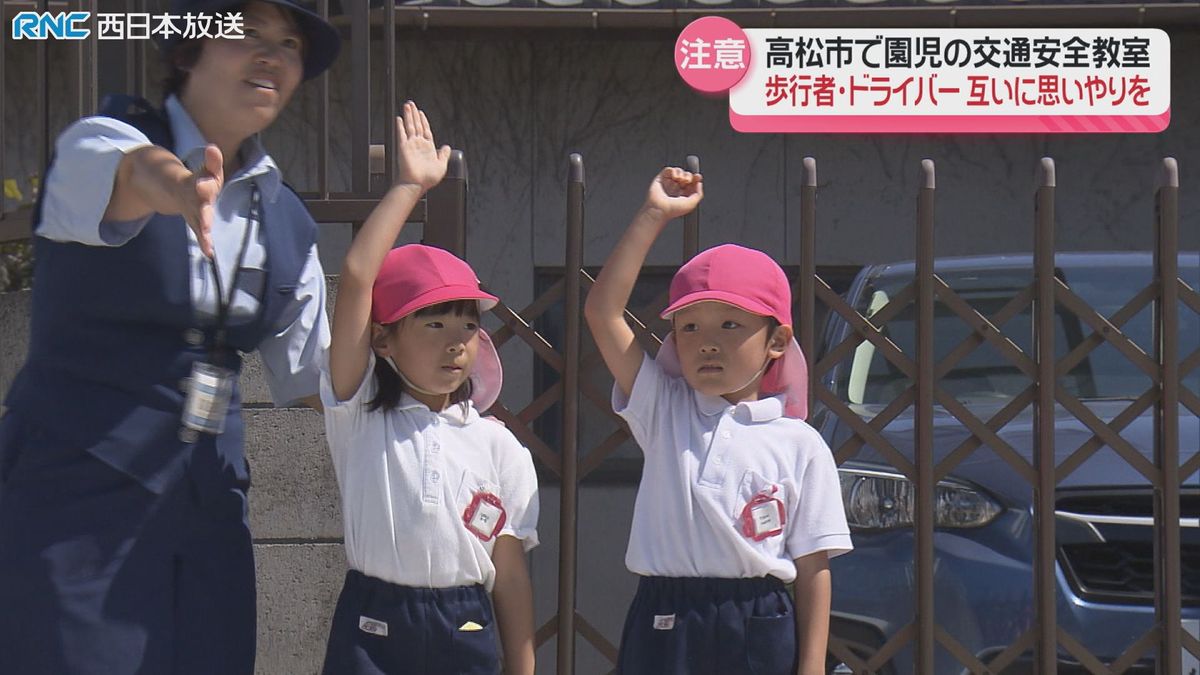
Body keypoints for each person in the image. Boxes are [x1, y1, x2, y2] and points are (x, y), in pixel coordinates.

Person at [0, 1, 340, 673]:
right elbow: (133, 177)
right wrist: (181, 186)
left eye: (289, 44)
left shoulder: (287, 217)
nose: (271, 55)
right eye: (247, 34)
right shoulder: (96, 143)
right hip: (77, 493)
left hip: (208, 510)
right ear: (187, 52)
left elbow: (318, 379)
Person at [584, 167, 854, 675]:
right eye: (689, 326)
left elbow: (814, 566)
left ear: (776, 341)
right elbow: (603, 312)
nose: (706, 341)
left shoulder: (801, 443)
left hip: (760, 617)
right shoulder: (663, 409)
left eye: (730, 324)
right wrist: (653, 214)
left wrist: (813, 667)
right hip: (663, 616)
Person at [319, 101, 538, 675]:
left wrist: (523, 665)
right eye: (433, 324)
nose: (456, 342)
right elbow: (358, 279)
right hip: (372, 623)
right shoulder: (359, 411)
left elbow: (510, 573)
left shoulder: (497, 445)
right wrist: (409, 189)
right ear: (384, 341)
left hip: (466, 623)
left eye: (468, 325)